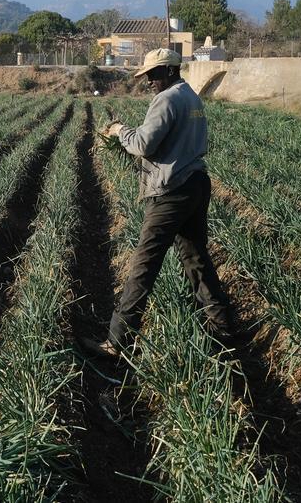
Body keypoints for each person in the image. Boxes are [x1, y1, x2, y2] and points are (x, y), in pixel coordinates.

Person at [83, 48, 233, 358]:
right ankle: (223, 330)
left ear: (167, 71)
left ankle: (118, 340)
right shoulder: (190, 96)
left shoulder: (167, 99)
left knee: (144, 264)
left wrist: (118, 131)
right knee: (196, 259)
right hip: (195, 184)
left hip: (172, 191)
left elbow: (143, 144)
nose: (148, 81)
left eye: (152, 74)